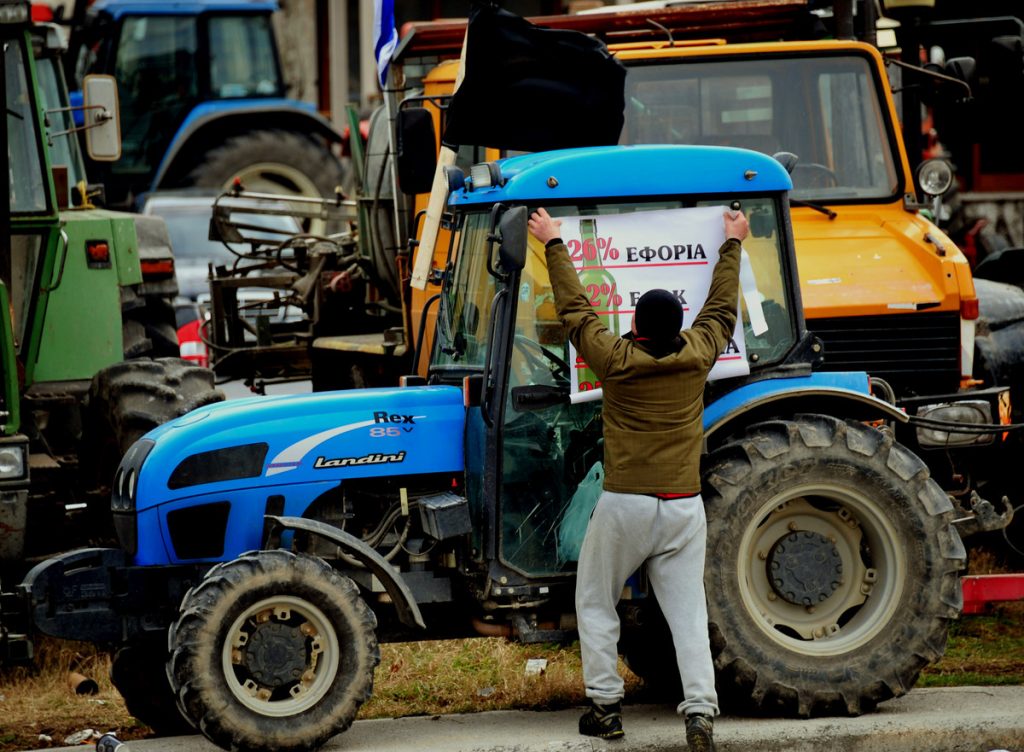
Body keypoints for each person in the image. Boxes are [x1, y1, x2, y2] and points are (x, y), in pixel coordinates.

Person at [527, 206, 749, 752]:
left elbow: (576, 310)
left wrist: (554, 241)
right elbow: (721, 308)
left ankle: (605, 709)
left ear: (633, 325)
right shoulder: (699, 354)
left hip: (625, 505)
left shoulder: (617, 360)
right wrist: (733, 242)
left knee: (598, 602)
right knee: (688, 614)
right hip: (682, 507)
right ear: (680, 326)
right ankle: (699, 715)